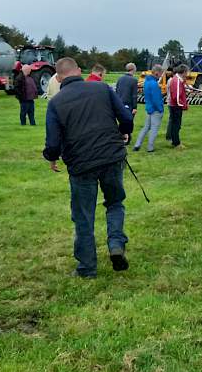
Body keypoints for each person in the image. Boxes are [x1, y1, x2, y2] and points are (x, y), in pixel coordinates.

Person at [43, 57, 134, 278]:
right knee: (114, 203)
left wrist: (51, 157)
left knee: (83, 216)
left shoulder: (55, 103)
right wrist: (124, 131)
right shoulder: (101, 88)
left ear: (58, 77)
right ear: (79, 71)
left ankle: (86, 267)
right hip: (111, 157)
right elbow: (125, 116)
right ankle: (115, 243)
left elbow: (53, 142)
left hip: (81, 165)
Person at [133, 65, 164, 152]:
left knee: (146, 127)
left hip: (148, 108)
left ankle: (137, 144)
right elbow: (156, 99)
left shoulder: (146, 81)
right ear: (157, 73)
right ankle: (150, 147)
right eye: (161, 73)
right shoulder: (154, 84)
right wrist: (160, 109)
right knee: (154, 128)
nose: (161, 75)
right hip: (155, 110)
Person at [165, 64, 189, 149]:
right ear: (184, 72)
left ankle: (174, 141)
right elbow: (176, 96)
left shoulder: (177, 79)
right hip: (176, 106)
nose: (187, 74)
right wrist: (182, 105)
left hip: (174, 105)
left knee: (174, 124)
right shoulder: (177, 81)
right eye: (187, 72)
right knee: (176, 125)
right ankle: (176, 143)